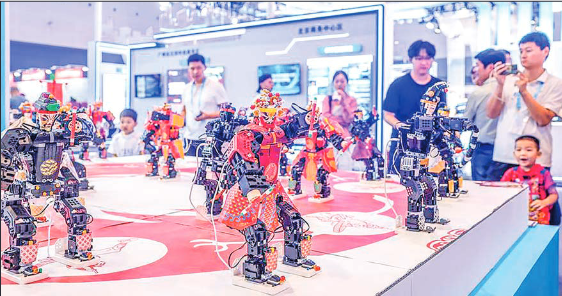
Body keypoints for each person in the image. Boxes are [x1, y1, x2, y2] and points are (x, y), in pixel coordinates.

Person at [486, 32, 562, 180]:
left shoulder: (555, 84)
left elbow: (543, 119)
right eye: (521, 51)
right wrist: (500, 85)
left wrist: (524, 91)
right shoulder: (508, 80)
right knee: (496, 200)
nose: (523, 55)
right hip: (504, 153)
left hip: (536, 158)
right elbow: (491, 113)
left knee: (533, 202)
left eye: (528, 50)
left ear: (545, 51)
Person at [383, 40, 445, 173]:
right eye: (419, 58)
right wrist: (400, 125)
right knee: (398, 179)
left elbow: (442, 113)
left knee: (429, 183)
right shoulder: (398, 85)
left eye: (428, 58)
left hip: (430, 145)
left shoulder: (439, 86)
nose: (424, 63)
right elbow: (387, 114)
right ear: (411, 59)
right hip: (402, 143)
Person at [464, 49, 505, 180]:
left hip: (483, 149)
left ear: (491, 68)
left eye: (478, 65)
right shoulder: (513, 88)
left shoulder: (479, 93)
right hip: (507, 149)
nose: (476, 69)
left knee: (482, 191)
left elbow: (465, 122)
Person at [501, 135, 559, 225]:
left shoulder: (544, 173)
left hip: (540, 218)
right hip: (516, 217)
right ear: (514, 154)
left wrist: (544, 202)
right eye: (519, 150)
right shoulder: (510, 173)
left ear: (538, 154)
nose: (523, 153)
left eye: (528, 150)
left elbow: (554, 195)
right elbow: (500, 192)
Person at [181, 54, 228, 156]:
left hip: (209, 138)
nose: (195, 71)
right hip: (189, 138)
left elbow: (227, 112)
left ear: (204, 68)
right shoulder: (186, 88)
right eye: (192, 68)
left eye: (198, 68)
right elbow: (184, 110)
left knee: (209, 170)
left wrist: (207, 116)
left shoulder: (216, 86)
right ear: (188, 69)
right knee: (189, 170)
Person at [321, 70, 358, 138]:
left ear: (347, 82)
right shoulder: (328, 99)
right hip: (331, 135)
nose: (339, 84)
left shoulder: (352, 100)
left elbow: (350, 119)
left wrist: (344, 103)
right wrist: (342, 120)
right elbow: (325, 118)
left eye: (342, 81)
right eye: (337, 81)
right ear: (333, 83)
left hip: (346, 136)